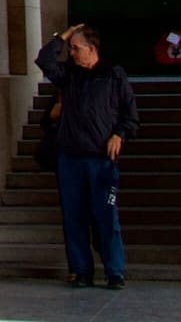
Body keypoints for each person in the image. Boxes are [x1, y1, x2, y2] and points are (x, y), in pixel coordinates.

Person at [34, 24, 138, 290]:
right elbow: (44, 59)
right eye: (71, 48)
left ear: (92, 50)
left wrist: (119, 135)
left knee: (106, 217)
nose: (71, 53)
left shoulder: (114, 76)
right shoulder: (69, 75)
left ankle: (115, 271)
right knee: (74, 217)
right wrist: (66, 35)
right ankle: (80, 270)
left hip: (101, 160)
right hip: (70, 158)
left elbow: (130, 116)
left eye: (76, 48)